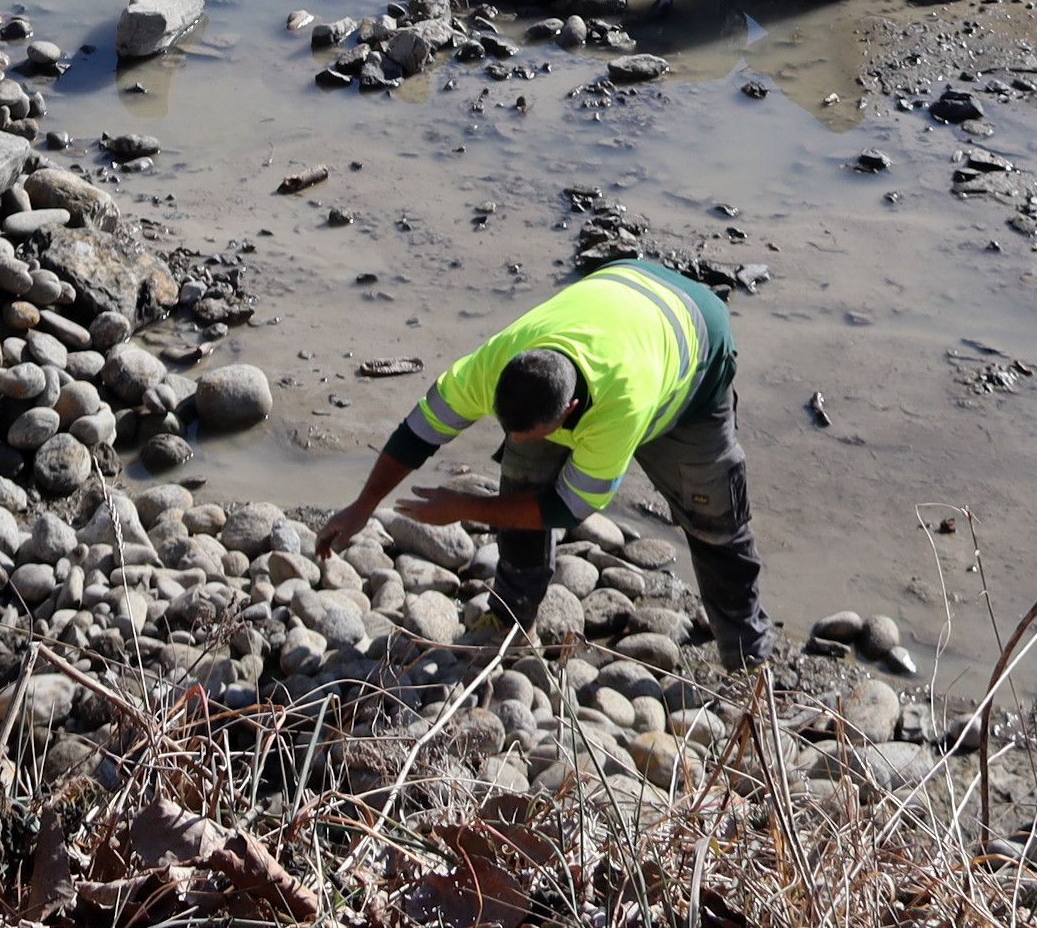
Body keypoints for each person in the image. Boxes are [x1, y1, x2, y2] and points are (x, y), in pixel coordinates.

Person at [314, 255, 769, 669]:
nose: (511, 438)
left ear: (569, 413)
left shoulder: (620, 406)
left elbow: (566, 506)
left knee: (715, 518)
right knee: (522, 475)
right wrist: (363, 505)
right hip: (622, 284)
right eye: (504, 423)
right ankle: (512, 620)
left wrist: (467, 507)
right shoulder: (496, 363)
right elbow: (419, 432)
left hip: (697, 348)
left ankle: (748, 663)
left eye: (526, 430)